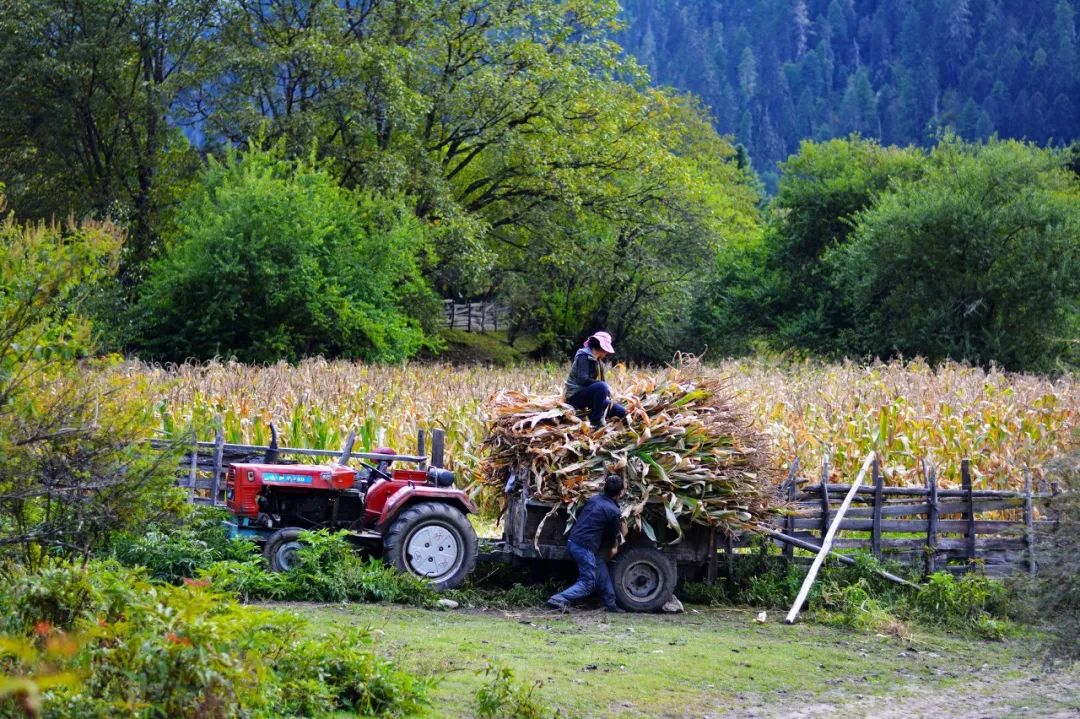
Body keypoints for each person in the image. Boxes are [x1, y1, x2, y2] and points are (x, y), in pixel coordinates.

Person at [547, 475, 626, 613]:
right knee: (588, 583)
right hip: (585, 547)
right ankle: (558, 599)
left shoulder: (594, 499)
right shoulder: (614, 511)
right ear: (620, 493)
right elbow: (611, 535)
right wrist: (616, 544)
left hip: (574, 540)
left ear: (604, 488)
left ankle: (610, 603)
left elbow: (578, 512)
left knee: (599, 564)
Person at [565, 331, 627, 428]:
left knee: (621, 411)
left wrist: (610, 395)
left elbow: (601, 387)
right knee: (602, 386)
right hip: (576, 396)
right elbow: (583, 379)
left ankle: (600, 414)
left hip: (590, 397)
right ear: (601, 347)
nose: (607, 353)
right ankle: (596, 421)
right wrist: (605, 386)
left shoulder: (599, 363)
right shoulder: (583, 356)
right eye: (606, 349)